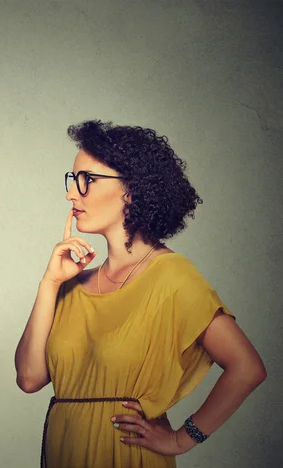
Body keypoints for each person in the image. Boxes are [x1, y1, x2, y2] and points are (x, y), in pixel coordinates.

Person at [14, 120, 267, 468]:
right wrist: (49, 284)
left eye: (86, 180)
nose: (71, 194)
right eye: (72, 181)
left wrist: (182, 438)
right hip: (65, 453)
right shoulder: (70, 285)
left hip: (129, 454)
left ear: (131, 189)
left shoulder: (173, 277)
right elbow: (29, 379)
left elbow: (248, 367)